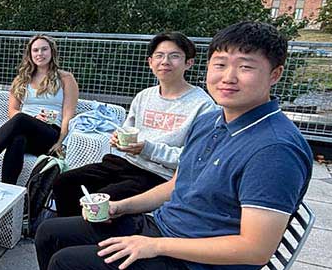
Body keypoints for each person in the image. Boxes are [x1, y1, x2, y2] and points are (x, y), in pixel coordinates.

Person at [0, 21, 312, 270]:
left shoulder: (274, 149)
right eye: (220, 64)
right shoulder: (215, 120)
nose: (228, 77)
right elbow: (179, 184)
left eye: (245, 67)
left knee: (67, 267)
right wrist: (119, 207)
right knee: (52, 233)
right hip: (166, 231)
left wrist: (152, 245)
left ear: (274, 74)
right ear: (207, 67)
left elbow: (254, 248)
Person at [52, 32, 216, 217]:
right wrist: (117, 139)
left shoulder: (203, 106)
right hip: (125, 163)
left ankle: (90, 235)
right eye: (159, 56)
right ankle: (69, 232)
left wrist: (148, 149)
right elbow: (127, 130)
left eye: (174, 56)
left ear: (189, 63)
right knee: (65, 182)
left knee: (105, 200)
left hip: (159, 176)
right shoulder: (144, 96)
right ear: (150, 62)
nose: (165, 61)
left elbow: (194, 160)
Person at [0, 34, 78, 185]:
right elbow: (12, 110)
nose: (40, 54)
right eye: (35, 50)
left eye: (44, 49)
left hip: (50, 134)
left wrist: (60, 142)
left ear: (52, 52)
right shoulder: (22, 79)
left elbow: (68, 115)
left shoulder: (65, 78)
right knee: (17, 139)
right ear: (30, 54)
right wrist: (31, 120)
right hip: (26, 131)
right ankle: (8, 191)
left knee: (21, 118)